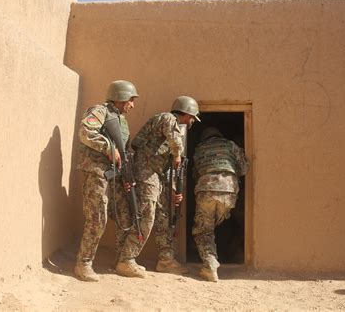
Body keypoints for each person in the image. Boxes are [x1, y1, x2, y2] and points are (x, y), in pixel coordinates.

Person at [115, 96, 200, 278]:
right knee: (146, 215)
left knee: (163, 216)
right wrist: (177, 154)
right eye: (192, 117)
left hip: (157, 176)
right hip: (146, 172)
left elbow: (165, 162)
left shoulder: (170, 128)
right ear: (185, 113)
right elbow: (174, 142)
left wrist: (174, 189)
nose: (192, 121)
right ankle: (126, 260)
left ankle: (166, 260)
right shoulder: (168, 119)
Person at [74, 80, 139, 282]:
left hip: (115, 175)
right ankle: (83, 264)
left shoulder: (121, 120)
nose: (132, 105)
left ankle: (123, 261)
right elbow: (86, 132)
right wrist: (107, 148)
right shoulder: (100, 111)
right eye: (131, 100)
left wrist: (127, 175)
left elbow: (124, 150)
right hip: (97, 172)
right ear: (120, 98)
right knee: (97, 218)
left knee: (125, 215)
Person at [192, 127, 249, 282]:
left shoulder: (199, 149)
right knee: (216, 225)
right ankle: (215, 258)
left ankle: (209, 265)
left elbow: (195, 173)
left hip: (207, 189)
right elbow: (244, 168)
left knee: (204, 231)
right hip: (229, 191)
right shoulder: (230, 145)